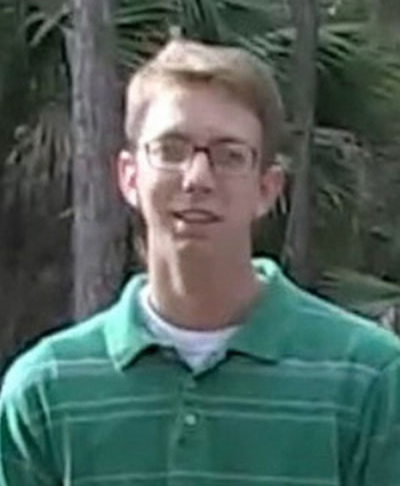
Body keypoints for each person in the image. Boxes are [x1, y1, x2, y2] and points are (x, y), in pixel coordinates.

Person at [1, 39, 399, 486]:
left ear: (267, 189)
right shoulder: (46, 391)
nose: (197, 179)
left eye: (230, 155)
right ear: (129, 177)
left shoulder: (370, 378)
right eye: (171, 149)